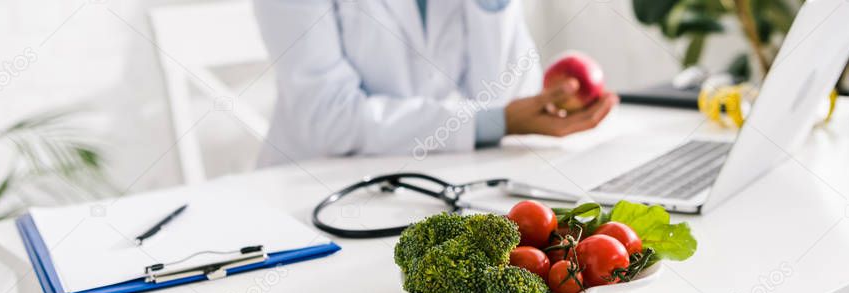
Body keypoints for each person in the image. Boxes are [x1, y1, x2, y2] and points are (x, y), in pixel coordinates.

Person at [252, 0, 618, 167]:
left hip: (438, 175)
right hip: (312, 187)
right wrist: (497, 121)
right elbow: (329, 118)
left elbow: (509, 97)